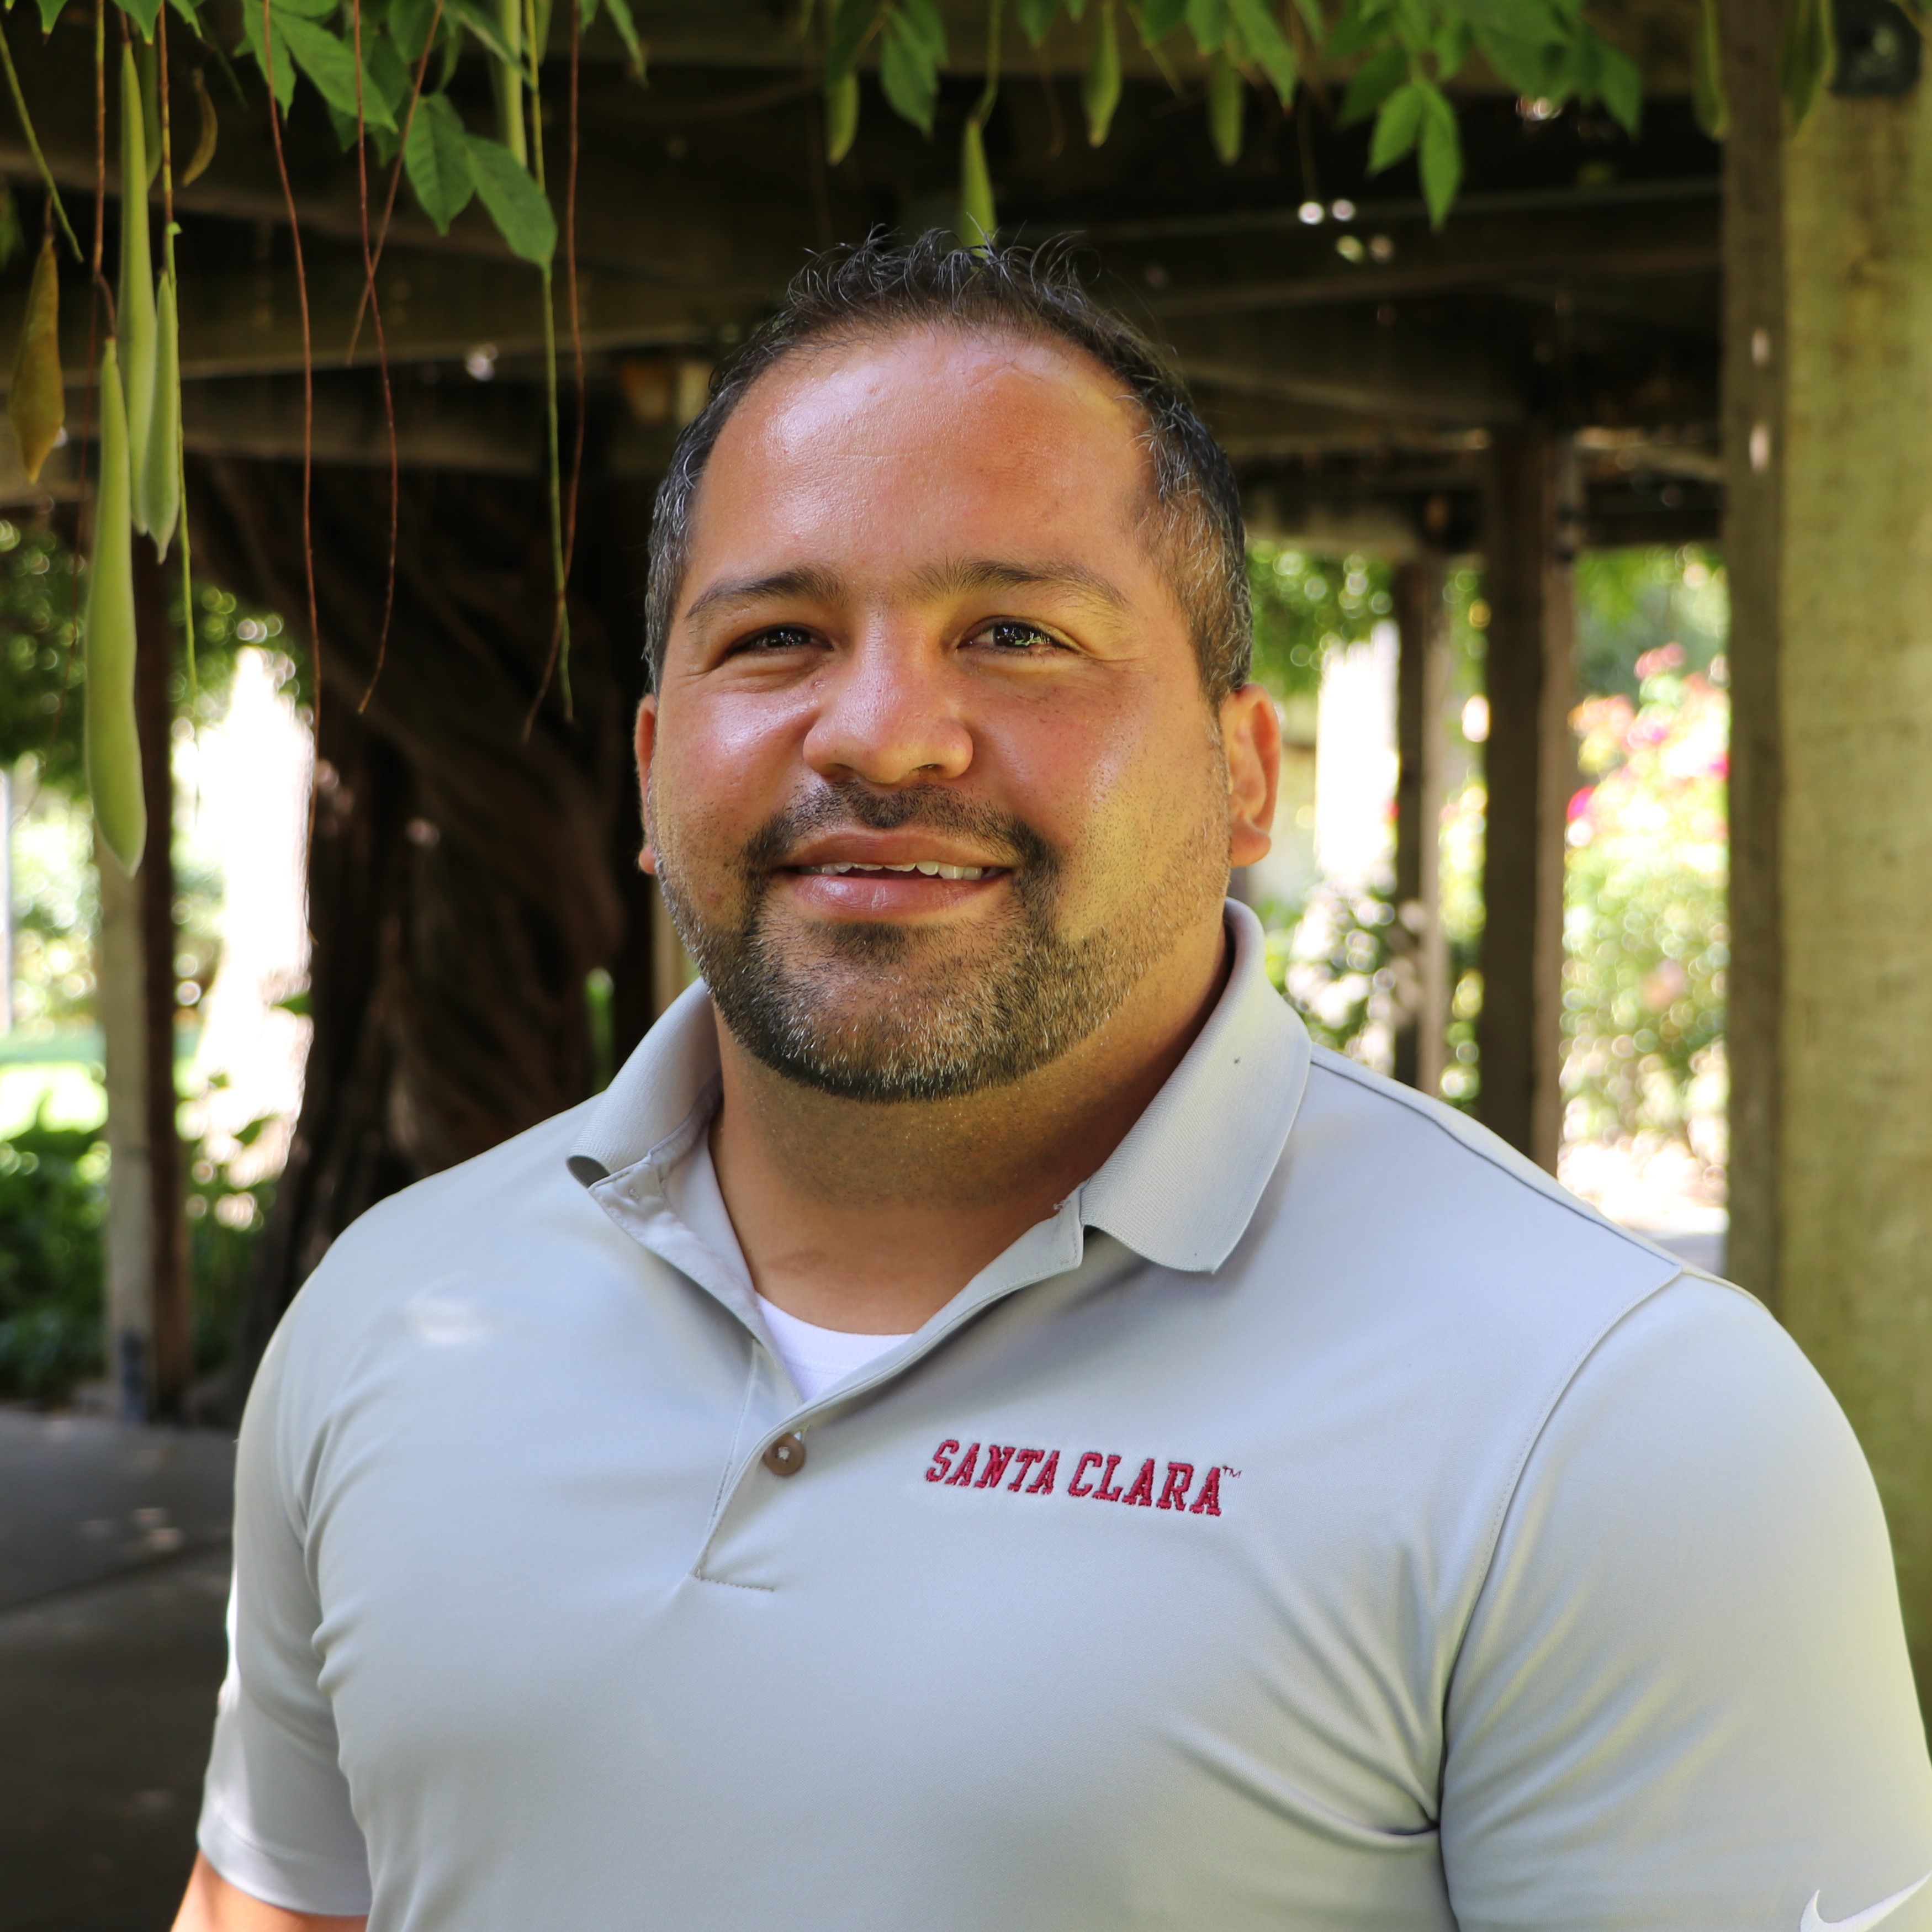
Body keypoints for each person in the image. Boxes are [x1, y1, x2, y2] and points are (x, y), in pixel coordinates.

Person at [176, 237, 1932, 1932]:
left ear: (1244, 775)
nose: (878, 731)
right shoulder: (395, 1311)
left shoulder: (1609, 1418)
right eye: (775, 635)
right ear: (649, 771)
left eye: (1013, 634)